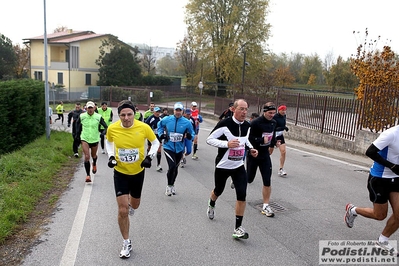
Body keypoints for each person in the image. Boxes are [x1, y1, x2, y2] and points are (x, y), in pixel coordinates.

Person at [105, 100, 160, 259]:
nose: (126, 118)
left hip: (138, 172)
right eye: (123, 115)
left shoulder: (143, 127)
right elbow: (109, 142)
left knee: (134, 205)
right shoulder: (113, 128)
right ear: (119, 115)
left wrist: (150, 157)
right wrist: (111, 156)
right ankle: (126, 242)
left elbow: (155, 142)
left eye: (129, 114)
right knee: (122, 210)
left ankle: (130, 203)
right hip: (120, 172)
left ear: (134, 114)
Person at [206, 99, 258, 239]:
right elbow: (209, 139)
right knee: (219, 190)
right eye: (241, 109)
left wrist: (251, 148)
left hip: (238, 166)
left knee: (242, 195)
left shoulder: (247, 125)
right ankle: (211, 203)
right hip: (223, 165)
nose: (244, 112)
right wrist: (227, 144)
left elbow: (245, 140)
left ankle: (238, 228)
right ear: (233, 110)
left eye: (246, 109)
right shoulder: (225, 124)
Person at [345, 125, 399, 254]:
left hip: (396, 178)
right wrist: (391, 165)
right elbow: (370, 152)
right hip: (379, 178)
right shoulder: (391, 134)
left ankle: (382, 241)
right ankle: (353, 210)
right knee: (379, 215)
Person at [157, 102, 195, 196]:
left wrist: (190, 136)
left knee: (176, 168)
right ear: (173, 110)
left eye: (180, 110)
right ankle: (169, 186)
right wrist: (161, 134)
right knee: (172, 166)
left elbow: (192, 133)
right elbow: (159, 125)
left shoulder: (187, 122)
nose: (178, 112)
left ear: (182, 111)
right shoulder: (167, 119)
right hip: (168, 146)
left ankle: (172, 184)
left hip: (179, 148)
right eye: (176, 110)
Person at [247, 102, 278, 217]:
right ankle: (237, 180)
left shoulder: (274, 122)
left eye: (274, 113)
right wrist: (261, 140)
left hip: (265, 155)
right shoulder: (255, 123)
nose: (272, 115)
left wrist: (274, 143)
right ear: (264, 112)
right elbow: (249, 139)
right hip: (254, 154)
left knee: (267, 180)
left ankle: (266, 205)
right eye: (270, 113)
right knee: (249, 179)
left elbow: (272, 136)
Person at [75, 101, 108, 183]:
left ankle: (94, 163)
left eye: (91, 108)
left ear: (94, 108)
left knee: (94, 155)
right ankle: (88, 175)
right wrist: (77, 135)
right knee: (87, 156)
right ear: (86, 108)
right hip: (85, 138)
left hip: (94, 139)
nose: (90, 110)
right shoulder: (82, 116)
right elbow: (78, 126)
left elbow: (105, 126)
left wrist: (103, 132)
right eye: (88, 108)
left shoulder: (98, 117)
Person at [271, 105, 289, 176]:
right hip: (274, 135)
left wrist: (284, 128)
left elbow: (283, 124)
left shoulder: (284, 116)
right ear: (279, 110)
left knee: (283, 152)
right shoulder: (275, 117)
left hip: (280, 136)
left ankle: (281, 169)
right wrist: (282, 127)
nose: (284, 111)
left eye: (285, 110)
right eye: (282, 110)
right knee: (269, 152)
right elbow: (273, 128)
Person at [145, 106, 163, 172]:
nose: (158, 113)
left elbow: (164, 126)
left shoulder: (161, 119)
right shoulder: (151, 118)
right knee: (150, 147)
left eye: (159, 112)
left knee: (159, 149)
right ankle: (148, 157)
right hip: (151, 135)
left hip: (158, 135)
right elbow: (146, 126)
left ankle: (158, 165)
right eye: (156, 112)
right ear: (154, 112)